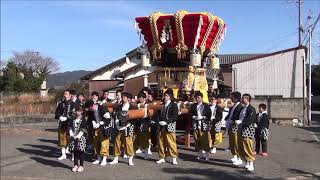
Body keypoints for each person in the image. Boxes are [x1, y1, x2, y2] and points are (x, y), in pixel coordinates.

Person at [109, 92, 135, 166]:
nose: (123, 99)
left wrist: (129, 122)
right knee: (117, 142)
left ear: (128, 98)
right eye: (122, 97)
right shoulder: (119, 106)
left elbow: (134, 115)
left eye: (124, 97)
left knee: (128, 142)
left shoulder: (131, 106)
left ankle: (130, 158)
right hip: (119, 126)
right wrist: (116, 116)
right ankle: (116, 158)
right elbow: (114, 113)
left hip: (128, 126)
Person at [85, 99, 113, 166]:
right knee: (96, 142)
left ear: (93, 105)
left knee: (104, 143)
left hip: (105, 128)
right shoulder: (91, 111)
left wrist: (100, 123)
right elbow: (91, 118)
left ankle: (104, 159)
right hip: (96, 128)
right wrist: (93, 122)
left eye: (90, 108)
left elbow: (108, 119)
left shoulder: (102, 108)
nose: (90, 110)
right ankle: (99, 158)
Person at [156, 90, 179, 165]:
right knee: (161, 142)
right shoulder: (162, 105)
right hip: (161, 125)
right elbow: (158, 115)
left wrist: (167, 121)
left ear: (170, 97)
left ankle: (174, 157)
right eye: (164, 96)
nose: (165, 97)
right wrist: (159, 121)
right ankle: (162, 157)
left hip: (170, 125)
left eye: (166, 96)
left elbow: (175, 117)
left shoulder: (173, 105)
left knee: (171, 142)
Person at [235, 94, 256, 172]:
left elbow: (250, 120)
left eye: (243, 98)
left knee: (247, 146)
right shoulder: (243, 108)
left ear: (247, 99)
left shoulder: (251, 109)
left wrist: (241, 122)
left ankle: (251, 164)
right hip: (240, 129)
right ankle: (244, 162)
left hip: (247, 130)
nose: (241, 99)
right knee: (240, 146)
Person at [55, 89, 76, 160]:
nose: (65, 95)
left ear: (70, 95)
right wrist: (60, 117)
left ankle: (73, 155)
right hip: (62, 123)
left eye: (66, 94)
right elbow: (57, 112)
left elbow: (75, 114)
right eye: (64, 94)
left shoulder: (73, 104)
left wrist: (67, 118)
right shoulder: (61, 103)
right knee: (62, 138)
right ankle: (63, 154)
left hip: (71, 124)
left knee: (72, 139)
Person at [190, 91, 212, 160]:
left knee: (205, 140)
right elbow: (190, 113)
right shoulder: (193, 105)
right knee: (197, 140)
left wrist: (203, 117)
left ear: (202, 98)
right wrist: (193, 116)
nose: (197, 99)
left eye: (198, 97)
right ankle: (200, 154)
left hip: (204, 125)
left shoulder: (206, 105)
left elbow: (209, 115)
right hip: (195, 125)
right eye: (196, 98)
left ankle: (207, 154)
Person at [225, 91, 243, 164]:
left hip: (236, 126)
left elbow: (238, 117)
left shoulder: (240, 107)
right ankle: (235, 156)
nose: (230, 98)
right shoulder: (233, 106)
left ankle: (239, 158)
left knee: (236, 142)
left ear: (236, 98)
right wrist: (227, 119)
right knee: (232, 142)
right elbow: (230, 115)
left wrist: (232, 120)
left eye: (231, 97)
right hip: (231, 126)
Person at [134, 91, 152, 159]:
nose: (140, 99)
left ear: (144, 98)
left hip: (145, 124)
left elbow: (150, 114)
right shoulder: (137, 105)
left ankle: (146, 153)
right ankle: (136, 151)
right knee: (137, 138)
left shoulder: (148, 104)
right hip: (138, 123)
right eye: (139, 98)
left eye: (141, 97)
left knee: (145, 138)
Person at [69, 106, 87, 172]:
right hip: (73, 137)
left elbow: (83, 129)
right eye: (76, 111)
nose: (77, 112)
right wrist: (71, 134)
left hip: (81, 137)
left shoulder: (83, 119)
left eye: (79, 111)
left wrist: (78, 136)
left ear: (82, 112)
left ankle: (81, 166)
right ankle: (75, 165)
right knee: (75, 152)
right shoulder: (73, 119)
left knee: (81, 152)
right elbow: (70, 127)